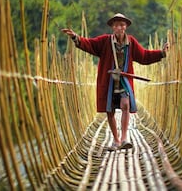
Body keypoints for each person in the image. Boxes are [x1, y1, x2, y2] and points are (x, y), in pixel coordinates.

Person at [61, 13, 169, 151]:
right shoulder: (104, 41)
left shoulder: (131, 42)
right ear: (113, 27)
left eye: (122, 25)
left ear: (126, 27)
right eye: (117, 25)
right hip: (108, 81)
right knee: (110, 110)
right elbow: (89, 44)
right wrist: (76, 37)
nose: (120, 27)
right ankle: (116, 140)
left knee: (125, 104)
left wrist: (161, 53)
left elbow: (144, 56)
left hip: (124, 80)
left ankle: (124, 138)